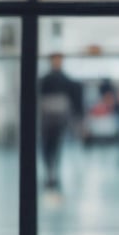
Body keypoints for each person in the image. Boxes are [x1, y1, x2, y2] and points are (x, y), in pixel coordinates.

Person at [38, 52, 83, 191]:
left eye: (59, 60)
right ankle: (49, 171)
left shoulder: (67, 81)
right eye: (55, 60)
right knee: (46, 146)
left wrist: (77, 118)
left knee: (56, 145)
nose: (57, 62)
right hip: (46, 118)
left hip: (60, 119)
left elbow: (75, 100)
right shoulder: (44, 80)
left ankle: (54, 172)